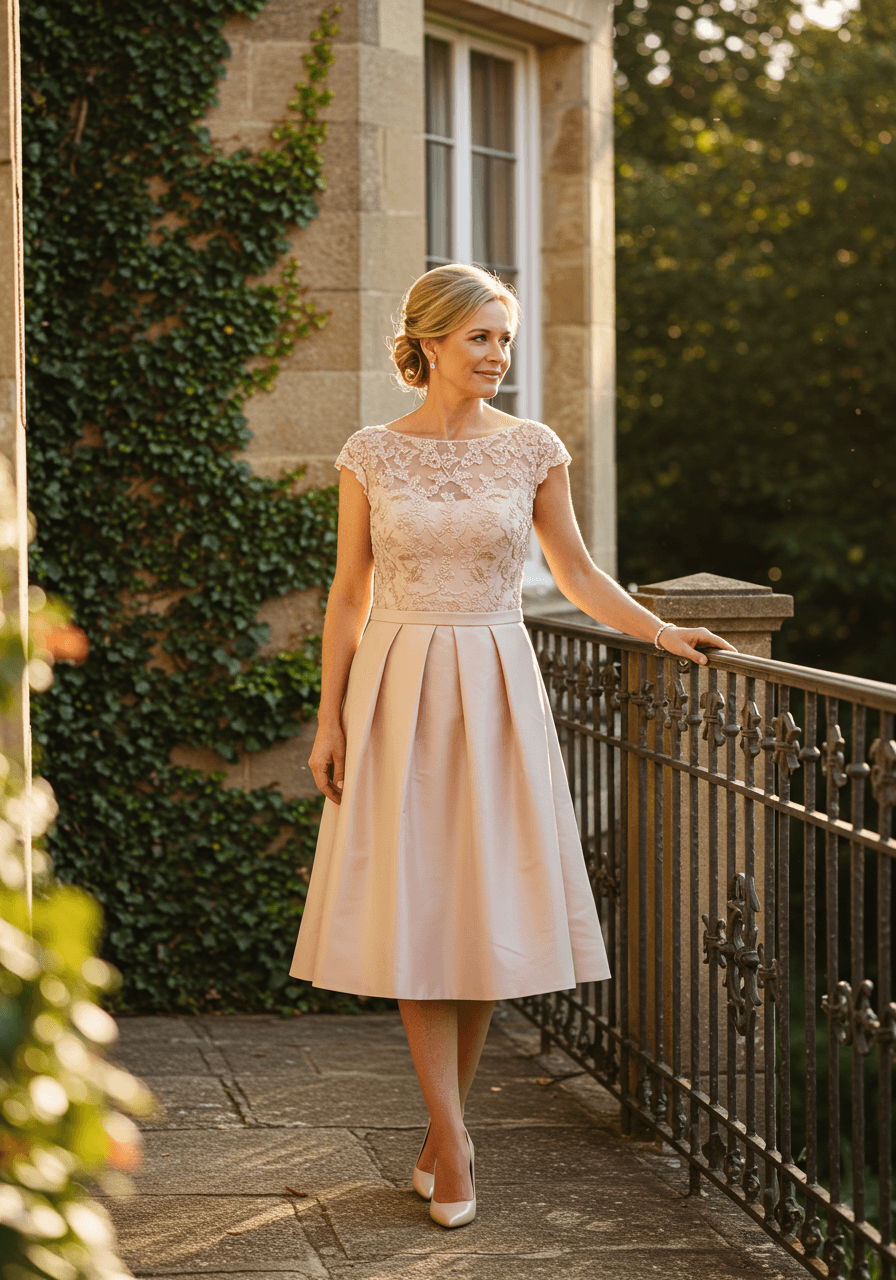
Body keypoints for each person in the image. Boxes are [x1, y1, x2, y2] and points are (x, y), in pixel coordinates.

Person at [291, 262, 736, 1229]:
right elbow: (348, 595)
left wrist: (662, 633)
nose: (499, 356)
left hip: (496, 683)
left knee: (482, 904)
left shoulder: (533, 448)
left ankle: (443, 1130)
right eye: (482, 338)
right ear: (433, 343)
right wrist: (329, 719)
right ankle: (452, 1139)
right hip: (395, 683)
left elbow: (575, 572)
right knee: (415, 901)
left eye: (507, 339)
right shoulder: (370, 451)